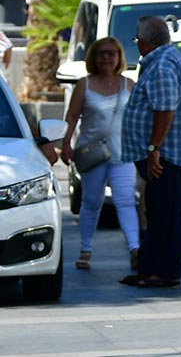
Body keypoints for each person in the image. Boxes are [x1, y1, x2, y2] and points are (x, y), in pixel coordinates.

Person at [119, 16, 181, 288]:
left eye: (137, 39)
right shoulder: (164, 60)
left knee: (164, 215)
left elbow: (165, 110)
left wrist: (154, 149)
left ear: (144, 41)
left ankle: (163, 272)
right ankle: (149, 268)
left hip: (165, 155)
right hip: (163, 153)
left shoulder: (162, 65)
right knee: (158, 212)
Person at [61, 37, 139, 270]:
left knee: (125, 201)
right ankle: (86, 249)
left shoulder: (128, 85)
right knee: (92, 201)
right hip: (92, 153)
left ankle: (135, 248)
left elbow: (137, 119)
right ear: (93, 57)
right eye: (101, 53)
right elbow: (72, 117)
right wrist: (65, 144)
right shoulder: (84, 84)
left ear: (119, 58)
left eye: (111, 53)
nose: (106, 57)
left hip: (122, 153)